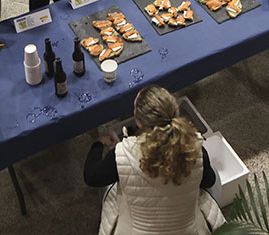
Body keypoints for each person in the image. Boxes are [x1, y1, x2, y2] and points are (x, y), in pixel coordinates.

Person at [83, 84, 224, 235]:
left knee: (110, 183)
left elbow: (91, 177)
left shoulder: (122, 153)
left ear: (139, 122)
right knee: (210, 173)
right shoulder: (195, 147)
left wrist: (97, 144)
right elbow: (209, 181)